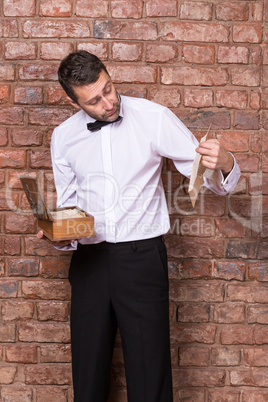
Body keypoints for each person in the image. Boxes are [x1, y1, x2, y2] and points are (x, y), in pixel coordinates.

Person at [37, 50, 241, 402]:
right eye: (94, 100)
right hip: (89, 265)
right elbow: (68, 206)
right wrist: (58, 234)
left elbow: (204, 176)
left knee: (150, 376)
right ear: (73, 102)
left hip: (141, 259)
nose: (108, 102)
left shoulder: (152, 117)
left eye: (108, 89)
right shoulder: (63, 137)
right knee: (88, 376)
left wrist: (224, 162)